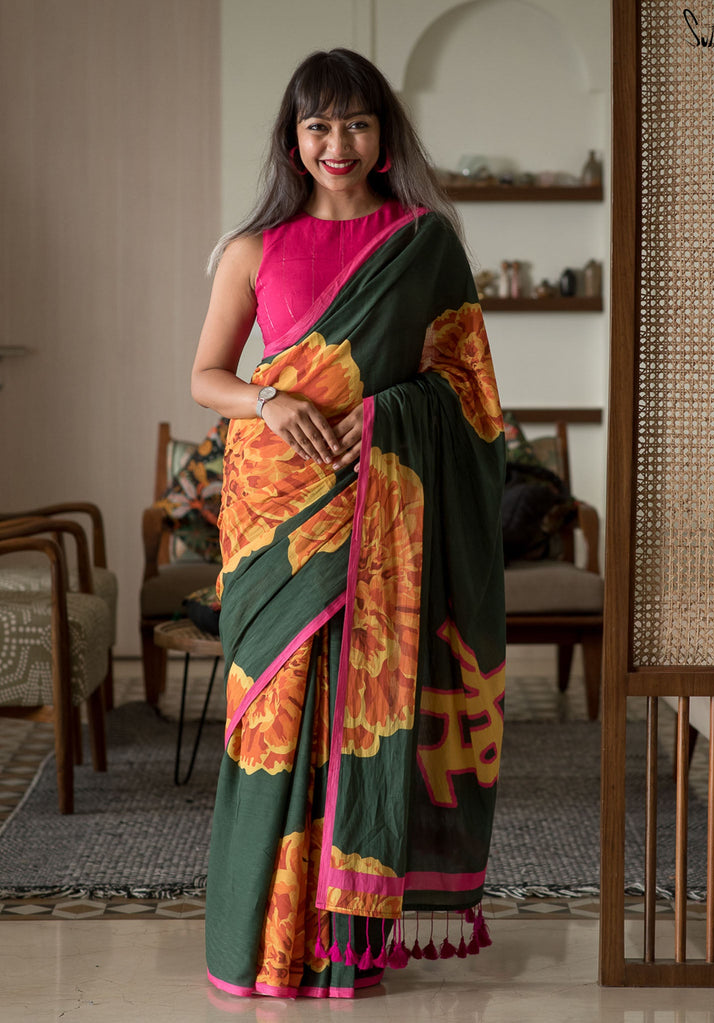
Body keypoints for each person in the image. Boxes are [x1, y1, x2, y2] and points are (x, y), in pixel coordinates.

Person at [191, 47, 506, 1000]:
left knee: (360, 720)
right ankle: (260, 941)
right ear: (292, 140)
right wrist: (269, 400)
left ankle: (344, 943)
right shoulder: (253, 248)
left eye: (357, 123)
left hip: (382, 508)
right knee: (275, 720)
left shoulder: (425, 243)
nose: (339, 142)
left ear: (384, 134)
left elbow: (468, 394)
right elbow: (204, 377)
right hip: (275, 518)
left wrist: (380, 418)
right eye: (319, 125)